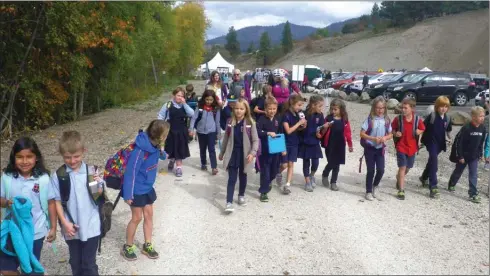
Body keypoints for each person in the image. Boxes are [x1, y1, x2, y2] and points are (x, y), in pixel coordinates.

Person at [0, 137, 57, 276]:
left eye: (29, 157)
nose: (24, 162)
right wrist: (7, 202)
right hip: (11, 231)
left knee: (30, 269)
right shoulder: (7, 177)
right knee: (6, 269)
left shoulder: (43, 179)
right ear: (14, 158)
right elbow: (1, 199)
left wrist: (54, 228)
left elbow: (51, 203)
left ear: (36, 158)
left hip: (35, 233)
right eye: (20, 157)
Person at [49, 131, 102, 276]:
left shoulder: (92, 171)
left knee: (89, 265)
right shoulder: (59, 176)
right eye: (67, 157)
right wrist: (65, 223)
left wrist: (99, 183)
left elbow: (99, 196)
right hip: (71, 227)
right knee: (76, 263)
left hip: (92, 225)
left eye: (76, 156)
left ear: (84, 152)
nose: (72, 161)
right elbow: (57, 202)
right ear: (61, 155)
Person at [121, 120, 170, 261]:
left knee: (149, 216)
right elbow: (130, 173)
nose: (167, 136)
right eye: (165, 134)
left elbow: (163, 156)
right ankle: (128, 246)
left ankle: (147, 244)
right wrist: (128, 194)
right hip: (136, 189)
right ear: (160, 135)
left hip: (147, 187)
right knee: (136, 218)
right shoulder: (140, 150)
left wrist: (162, 151)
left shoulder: (155, 146)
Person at [219, 98, 259, 213]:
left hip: (245, 155)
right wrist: (222, 153)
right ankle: (229, 202)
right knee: (232, 178)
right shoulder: (230, 122)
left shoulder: (251, 123)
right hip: (232, 154)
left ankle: (241, 195)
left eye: (241, 109)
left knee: (243, 176)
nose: (238, 111)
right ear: (233, 109)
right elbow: (226, 138)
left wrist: (252, 153)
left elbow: (256, 140)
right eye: (236, 108)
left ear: (246, 110)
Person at [448, 106, 486, 203]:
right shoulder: (466, 128)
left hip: (474, 156)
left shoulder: (483, 128)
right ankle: (452, 183)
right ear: (473, 117)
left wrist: (480, 154)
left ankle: (473, 193)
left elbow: (481, 143)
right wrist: (460, 156)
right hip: (464, 156)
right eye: (480, 116)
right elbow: (459, 143)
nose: (482, 118)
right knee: (458, 171)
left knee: (473, 174)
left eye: (483, 116)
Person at [391, 98, 425, 200]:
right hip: (401, 147)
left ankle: (398, 177)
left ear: (412, 108)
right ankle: (401, 190)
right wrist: (395, 133)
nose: (403, 110)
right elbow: (391, 129)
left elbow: (423, 128)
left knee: (408, 167)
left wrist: (419, 132)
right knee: (402, 167)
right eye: (402, 108)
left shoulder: (417, 120)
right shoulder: (398, 119)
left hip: (412, 148)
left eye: (406, 108)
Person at [419, 96, 452, 198]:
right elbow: (422, 128)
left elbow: (448, 130)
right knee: (434, 163)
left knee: (432, 161)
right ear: (437, 106)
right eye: (441, 106)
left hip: (440, 143)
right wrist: (419, 140)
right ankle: (433, 187)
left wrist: (449, 138)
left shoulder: (447, 117)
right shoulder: (432, 116)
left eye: (446, 106)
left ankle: (424, 177)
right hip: (430, 142)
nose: (443, 108)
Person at [360, 96, 392, 201]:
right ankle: (368, 191)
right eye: (378, 108)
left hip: (380, 149)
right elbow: (362, 133)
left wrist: (384, 138)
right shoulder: (370, 120)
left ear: (385, 108)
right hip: (370, 148)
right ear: (374, 108)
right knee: (370, 170)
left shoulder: (386, 120)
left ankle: (375, 186)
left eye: (382, 108)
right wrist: (373, 138)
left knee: (381, 170)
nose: (380, 110)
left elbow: (390, 134)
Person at [157, 87, 195, 177]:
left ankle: (178, 168)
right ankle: (172, 160)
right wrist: (160, 129)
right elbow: (161, 116)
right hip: (170, 130)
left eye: (182, 96)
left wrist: (185, 104)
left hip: (181, 130)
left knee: (179, 148)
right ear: (174, 95)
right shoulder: (168, 104)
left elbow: (192, 114)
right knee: (171, 148)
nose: (180, 97)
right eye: (178, 95)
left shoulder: (184, 105)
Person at [320, 99, 353, 191]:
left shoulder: (344, 120)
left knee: (337, 164)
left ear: (341, 110)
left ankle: (333, 182)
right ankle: (325, 173)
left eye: (335, 109)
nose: (333, 111)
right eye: (332, 109)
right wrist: (325, 127)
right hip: (329, 144)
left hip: (340, 145)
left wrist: (350, 144)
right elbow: (322, 130)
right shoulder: (328, 119)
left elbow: (348, 133)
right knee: (331, 162)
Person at [256, 97, 285, 202]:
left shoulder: (278, 119)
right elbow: (257, 132)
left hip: (275, 151)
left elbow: (281, 134)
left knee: (274, 171)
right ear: (265, 108)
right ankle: (263, 192)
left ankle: (268, 182)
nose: (272, 111)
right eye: (270, 109)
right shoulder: (261, 119)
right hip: (264, 151)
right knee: (265, 172)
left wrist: (283, 148)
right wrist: (267, 133)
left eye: (274, 108)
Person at [278, 94, 306, 194]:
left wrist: (303, 126)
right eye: (299, 105)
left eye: (301, 105)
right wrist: (298, 124)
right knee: (284, 165)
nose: (300, 108)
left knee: (291, 164)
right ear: (292, 103)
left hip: (294, 142)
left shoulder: (297, 115)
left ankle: (287, 185)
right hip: (285, 142)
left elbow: (296, 130)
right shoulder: (286, 115)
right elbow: (288, 131)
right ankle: (277, 172)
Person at [189, 89, 221, 175]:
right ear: (204, 99)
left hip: (211, 132)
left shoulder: (215, 109)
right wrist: (191, 129)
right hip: (201, 132)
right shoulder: (199, 107)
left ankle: (214, 167)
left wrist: (218, 133)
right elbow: (194, 118)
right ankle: (203, 163)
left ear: (214, 99)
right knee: (202, 149)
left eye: (211, 100)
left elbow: (217, 122)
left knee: (212, 149)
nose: (209, 102)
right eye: (207, 99)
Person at [298, 95, 325, 192]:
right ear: (313, 105)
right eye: (320, 106)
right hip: (305, 142)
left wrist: (320, 134)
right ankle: (307, 181)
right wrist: (302, 127)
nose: (321, 108)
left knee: (315, 163)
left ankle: (312, 175)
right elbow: (299, 129)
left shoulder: (320, 115)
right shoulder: (303, 114)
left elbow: (321, 128)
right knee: (306, 163)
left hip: (314, 143)